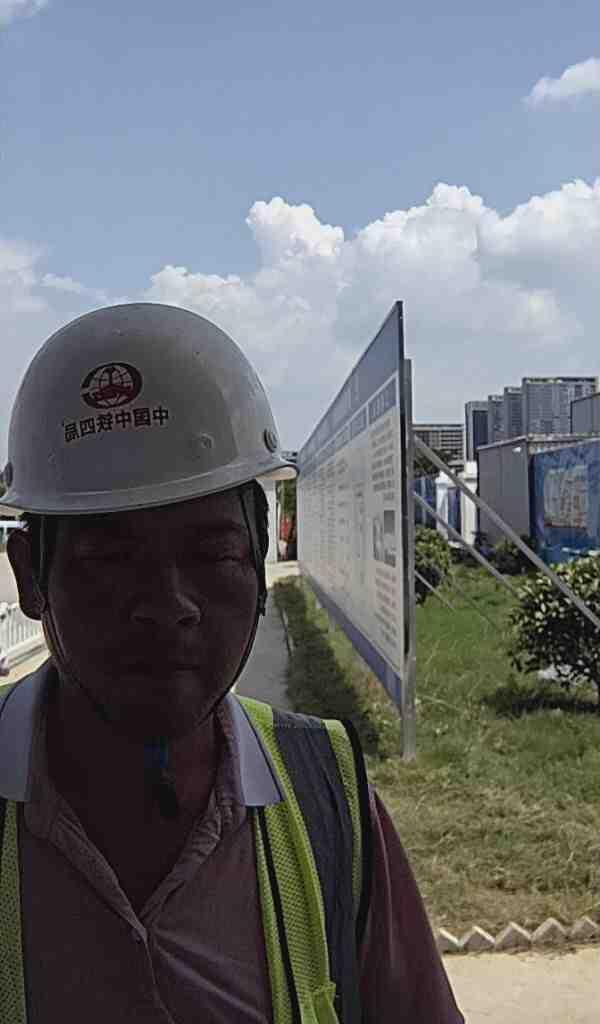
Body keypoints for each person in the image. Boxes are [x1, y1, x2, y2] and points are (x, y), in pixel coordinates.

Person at [0, 303, 464, 1023]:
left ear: (260, 562)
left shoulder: (330, 797)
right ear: (31, 577)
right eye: (111, 559)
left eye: (210, 553)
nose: (168, 605)